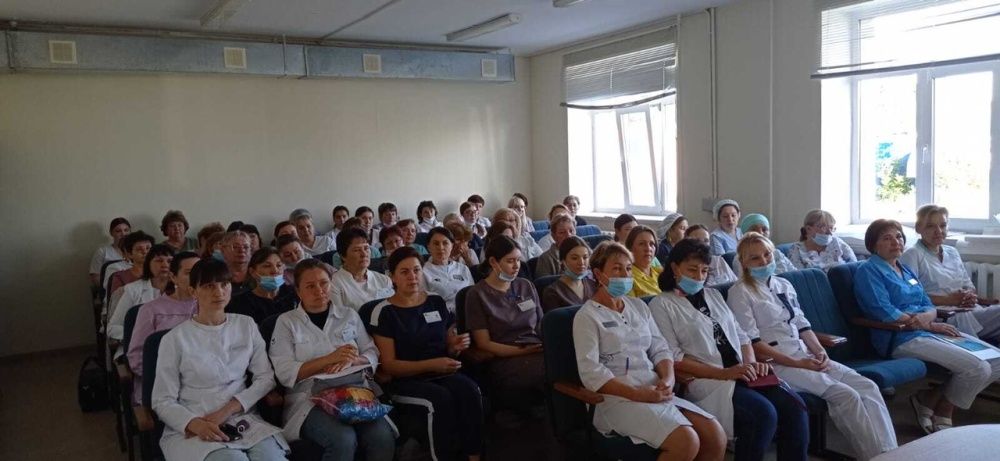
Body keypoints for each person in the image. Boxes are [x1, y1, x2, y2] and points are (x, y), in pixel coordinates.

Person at [728, 233, 896, 460]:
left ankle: (892, 453)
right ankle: (874, 455)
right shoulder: (740, 292)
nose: (764, 261)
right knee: (846, 395)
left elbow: (802, 325)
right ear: (744, 262)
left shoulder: (783, 284)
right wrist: (799, 363)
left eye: (767, 254)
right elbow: (752, 343)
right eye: (755, 258)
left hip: (805, 354)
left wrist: (819, 351)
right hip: (778, 363)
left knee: (868, 386)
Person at [649, 239, 810, 461]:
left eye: (704, 271)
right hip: (706, 380)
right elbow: (673, 357)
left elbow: (742, 336)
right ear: (675, 268)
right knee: (762, 414)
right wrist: (724, 373)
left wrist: (750, 363)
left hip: (740, 371)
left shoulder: (713, 295)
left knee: (795, 406)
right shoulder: (661, 304)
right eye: (692, 270)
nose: (699, 277)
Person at [573, 241, 726, 461]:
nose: (625, 275)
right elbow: (591, 372)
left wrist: (668, 379)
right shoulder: (587, 316)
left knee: (715, 435)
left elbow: (660, 348)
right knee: (686, 441)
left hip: (654, 391)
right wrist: (636, 394)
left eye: (628, 269)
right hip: (615, 399)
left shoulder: (639, 307)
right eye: (617, 268)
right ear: (598, 274)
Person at [855, 219, 1000, 434]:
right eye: (887, 238)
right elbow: (883, 310)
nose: (896, 242)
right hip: (901, 336)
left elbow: (927, 303)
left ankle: (930, 398)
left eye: (898, 237)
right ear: (873, 245)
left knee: (996, 360)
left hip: (928, 329)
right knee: (978, 368)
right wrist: (930, 325)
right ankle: (945, 410)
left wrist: (929, 319)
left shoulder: (905, 270)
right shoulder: (869, 271)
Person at [152, 259, 289, 461]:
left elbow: (265, 378)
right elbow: (162, 400)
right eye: (209, 286)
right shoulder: (175, 339)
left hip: (242, 417)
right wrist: (195, 424)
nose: (219, 292)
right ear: (193, 291)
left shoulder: (246, 325)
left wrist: (229, 409)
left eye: (224, 284)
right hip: (196, 422)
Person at [268, 259, 395, 461]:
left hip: (355, 391)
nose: (319, 291)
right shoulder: (287, 322)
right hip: (311, 397)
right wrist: (328, 360)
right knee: (342, 439)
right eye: (310, 286)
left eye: (324, 283)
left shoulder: (348, 315)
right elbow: (284, 372)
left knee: (382, 437)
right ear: (298, 291)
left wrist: (353, 360)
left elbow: (371, 351)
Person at [370, 247, 483, 461]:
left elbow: (447, 344)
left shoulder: (435, 301)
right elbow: (389, 365)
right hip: (405, 381)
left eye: (416, 270)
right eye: (404, 272)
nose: (412, 277)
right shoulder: (384, 312)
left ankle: (474, 456)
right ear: (392, 276)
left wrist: (455, 346)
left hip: (441, 372)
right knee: (439, 401)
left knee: (470, 390)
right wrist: (432, 364)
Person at [465, 235, 546, 414]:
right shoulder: (477, 294)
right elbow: (484, 343)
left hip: (535, 347)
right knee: (548, 371)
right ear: (493, 262)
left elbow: (541, 323)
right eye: (510, 261)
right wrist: (523, 351)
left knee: (565, 363)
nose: (517, 266)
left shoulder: (525, 285)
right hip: (503, 356)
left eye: (518, 260)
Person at [900, 204, 1000, 341]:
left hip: (970, 310)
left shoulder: (952, 252)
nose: (938, 231)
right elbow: (909, 296)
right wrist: (948, 300)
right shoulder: (912, 255)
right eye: (930, 226)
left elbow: (968, 286)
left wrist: (969, 296)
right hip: (944, 316)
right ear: (918, 228)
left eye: (943, 225)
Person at [126, 251, 200, 404]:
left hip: (203, 384)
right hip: (160, 386)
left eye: (201, 272)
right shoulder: (150, 310)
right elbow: (137, 357)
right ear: (173, 277)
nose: (197, 278)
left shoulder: (210, 306)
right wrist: (170, 379)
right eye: (189, 273)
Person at [108, 244, 175, 342]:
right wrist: (140, 335)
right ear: (148, 264)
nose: (165, 265)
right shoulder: (132, 290)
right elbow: (113, 327)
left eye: (170, 261)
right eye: (159, 260)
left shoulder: (181, 290)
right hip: (138, 344)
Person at [226, 247, 298, 324]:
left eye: (279, 265)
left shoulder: (295, 293)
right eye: (267, 266)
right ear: (252, 272)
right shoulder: (239, 303)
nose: (275, 270)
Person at [331, 228, 394, 311]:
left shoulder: (384, 280)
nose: (364, 254)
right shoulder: (334, 283)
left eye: (366, 248)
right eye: (357, 250)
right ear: (343, 256)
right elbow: (340, 316)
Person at [422, 227, 474, 312]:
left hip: (467, 314)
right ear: (428, 247)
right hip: (441, 316)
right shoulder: (423, 271)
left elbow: (472, 295)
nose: (441, 247)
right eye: (436, 243)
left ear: (452, 245)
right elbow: (424, 303)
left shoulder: (463, 268)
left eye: (445, 243)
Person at [788, 209, 856, 272]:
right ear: (808, 229)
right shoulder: (796, 249)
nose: (830, 233)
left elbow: (854, 265)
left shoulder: (837, 242)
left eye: (831, 228)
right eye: (824, 228)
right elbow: (799, 276)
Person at [541, 236, 596, 311]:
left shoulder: (593, 285)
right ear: (563, 261)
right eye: (574, 258)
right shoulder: (552, 292)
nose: (581, 262)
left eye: (585, 257)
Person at [731, 214, 795, 276]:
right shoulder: (740, 259)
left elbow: (795, 273)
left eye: (764, 230)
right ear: (745, 234)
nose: (760, 233)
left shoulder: (776, 252)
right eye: (754, 230)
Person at [106, 231, 155, 295]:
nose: (145, 252)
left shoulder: (160, 273)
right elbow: (117, 299)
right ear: (130, 254)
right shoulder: (120, 277)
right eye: (139, 249)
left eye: (148, 248)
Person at [90, 217, 131, 286]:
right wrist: (111, 288)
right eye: (118, 231)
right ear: (111, 233)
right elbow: (95, 277)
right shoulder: (102, 252)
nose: (123, 234)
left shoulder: (136, 251)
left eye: (126, 230)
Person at [626, 225, 664, 298]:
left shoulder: (661, 274)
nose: (648, 248)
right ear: (630, 248)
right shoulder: (627, 277)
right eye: (641, 244)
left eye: (651, 244)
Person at [220, 230, 254, 296]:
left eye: (246, 247)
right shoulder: (217, 276)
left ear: (251, 251)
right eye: (235, 247)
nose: (241, 250)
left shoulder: (258, 275)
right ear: (223, 250)